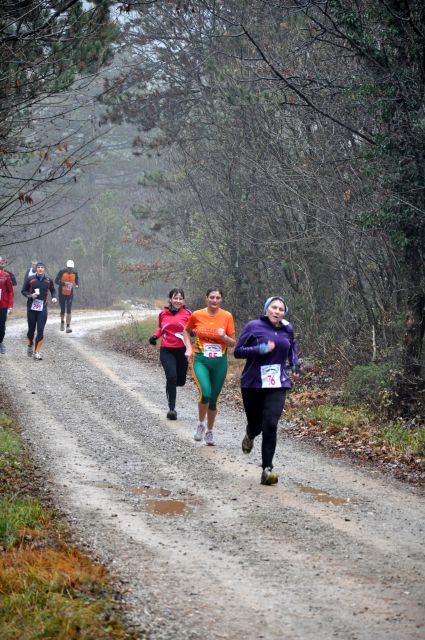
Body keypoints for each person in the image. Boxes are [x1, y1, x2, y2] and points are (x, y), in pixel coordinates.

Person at [234, 296, 300, 485]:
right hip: (253, 383)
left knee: (270, 424)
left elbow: (292, 349)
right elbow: (238, 351)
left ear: (284, 313)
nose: (277, 311)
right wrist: (260, 349)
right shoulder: (253, 326)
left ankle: (267, 469)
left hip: (277, 383)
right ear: (266, 309)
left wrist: (295, 366)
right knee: (256, 425)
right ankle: (250, 434)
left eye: (281, 309)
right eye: (274, 307)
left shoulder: (288, 329)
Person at [183, 288, 235, 446]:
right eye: (212, 297)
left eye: (218, 297)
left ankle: (210, 431)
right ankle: (200, 424)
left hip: (219, 362)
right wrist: (189, 348)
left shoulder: (227, 316)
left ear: (221, 300)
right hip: (200, 360)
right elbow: (186, 331)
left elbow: (233, 343)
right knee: (205, 392)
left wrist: (224, 336)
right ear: (206, 298)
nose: (215, 300)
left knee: (213, 399)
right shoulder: (197, 315)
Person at [148, 288, 192, 420]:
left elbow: (193, 329)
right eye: (175, 298)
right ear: (170, 299)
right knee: (171, 377)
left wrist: (195, 332)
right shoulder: (163, 314)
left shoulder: (188, 314)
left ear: (183, 300)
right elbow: (161, 328)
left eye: (180, 298)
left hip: (182, 351)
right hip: (167, 350)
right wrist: (154, 337)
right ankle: (171, 409)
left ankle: (174, 384)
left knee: (181, 380)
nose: (178, 301)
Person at [21, 262, 57, 360]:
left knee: (40, 329)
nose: (40, 269)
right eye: (38, 267)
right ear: (36, 269)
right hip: (31, 307)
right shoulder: (30, 279)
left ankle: (37, 352)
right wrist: (30, 295)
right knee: (31, 330)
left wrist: (54, 297)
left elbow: (53, 290)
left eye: (42, 267)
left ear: (44, 269)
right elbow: (23, 291)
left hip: (43, 307)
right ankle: (30, 344)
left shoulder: (48, 280)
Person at [55, 260, 79, 332]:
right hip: (61, 293)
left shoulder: (75, 273)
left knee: (69, 309)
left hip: (69, 293)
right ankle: (62, 322)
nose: (69, 270)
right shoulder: (61, 272)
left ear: (73, 268)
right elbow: (56, 281)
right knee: (62, 309)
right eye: (68, 268)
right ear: (66, 267)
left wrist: (77, 285)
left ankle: (68, 326)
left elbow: (77, 280)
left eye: (71, 268)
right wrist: (63, 284)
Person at [0, 268, 14, 354]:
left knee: (1, 325)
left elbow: (10, 291)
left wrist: (10, 306)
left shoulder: (5, 275)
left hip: (3, 304)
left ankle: (0, 342)